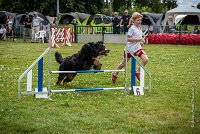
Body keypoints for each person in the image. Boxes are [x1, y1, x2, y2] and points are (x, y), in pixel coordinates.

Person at [112, 12, 148, 84]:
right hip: (130, 49)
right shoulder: (132, 28)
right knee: (123, 64)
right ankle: (115, 73)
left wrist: (142, 41)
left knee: (145, 59)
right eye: (138, 20)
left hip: (137, 48)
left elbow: (139, 38)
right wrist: (139, 40)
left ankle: (137, 72)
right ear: (133, 20)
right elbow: (128, 39)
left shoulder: (139, 27)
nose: (139, 22)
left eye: (140, 20)